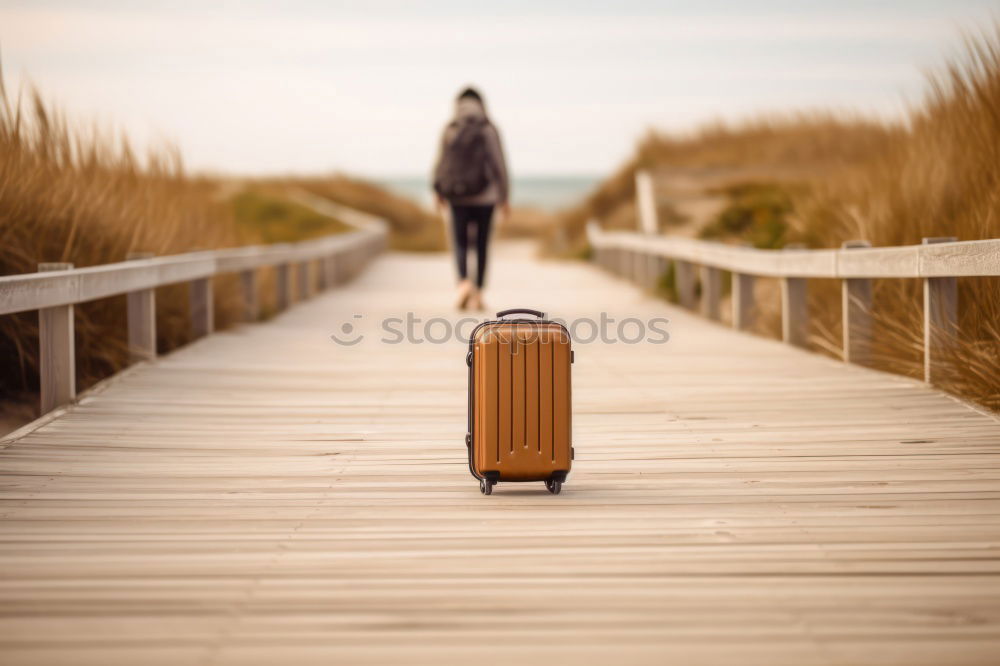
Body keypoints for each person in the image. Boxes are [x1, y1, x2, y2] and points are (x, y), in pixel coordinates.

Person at [433, 86, 509, 311]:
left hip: (457, 196)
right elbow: (499, 164)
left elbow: (441, 163)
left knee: (460, 243)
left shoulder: (450, 128)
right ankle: (478, 292)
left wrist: (439, 191)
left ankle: (463, 283)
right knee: (483, 245)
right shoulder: (488, 128)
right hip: (486, 197)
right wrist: (504, 197)